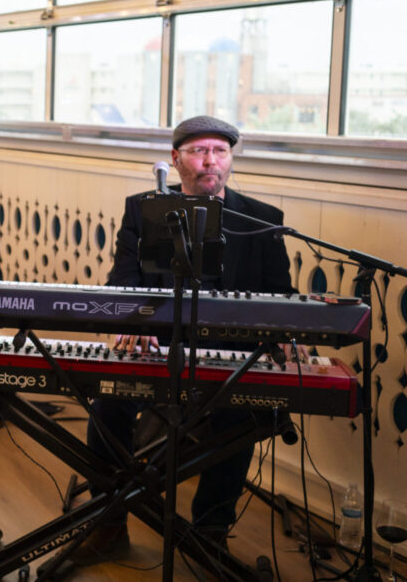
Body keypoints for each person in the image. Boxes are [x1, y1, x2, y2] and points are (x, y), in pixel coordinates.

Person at [79, 115, 299, 560]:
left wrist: (286, 332)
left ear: (231, 159)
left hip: (231, 354)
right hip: (157, 347)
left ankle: (209, 532)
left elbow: (280, 292)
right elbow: (124, 282)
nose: (210, 161)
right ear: (176, 160)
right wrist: (138, 326)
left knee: (241, 416)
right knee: (109, 404)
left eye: (220, 151)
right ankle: (109, 519)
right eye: (199, 151)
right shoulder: (143, 209)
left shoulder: (262, 219)